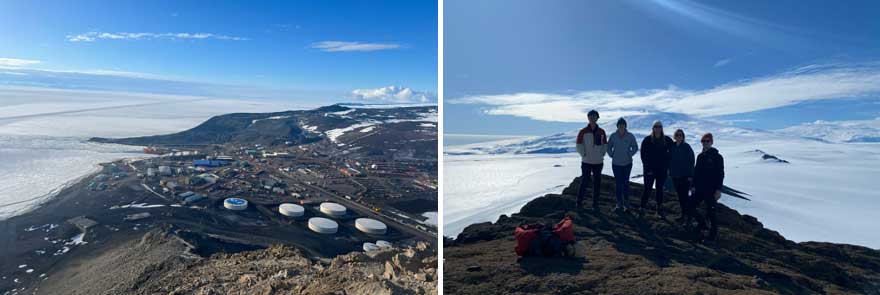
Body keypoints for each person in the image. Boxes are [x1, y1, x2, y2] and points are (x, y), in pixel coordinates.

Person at [687, 133, 725, 242]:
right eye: (703, 141)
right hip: (699, 188)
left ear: (712, 142)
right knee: (689, 206)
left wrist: (718, 190)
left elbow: (720, 174)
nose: (705, 143)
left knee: (712, 213)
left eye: (707, 141)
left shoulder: (717, 157)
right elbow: (696, 172)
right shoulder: (700, 156)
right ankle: (702, 224)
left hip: (711, 190)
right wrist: (693, 186)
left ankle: (712, 237)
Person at [639, 120, 673, 218]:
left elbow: (672, 153)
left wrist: (668, 167)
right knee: (647, 189)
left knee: (659, 189)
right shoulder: (647, 140)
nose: (658, 129)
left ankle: (659, 209)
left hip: (662, 170)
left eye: (659, 127)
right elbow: (643, 156)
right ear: (653, 128)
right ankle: (642, 207)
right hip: (649, 170)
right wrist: (647, 169)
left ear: (662, 128)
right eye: (656, 127)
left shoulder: (667, 140)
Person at [575, 110, 607, 210]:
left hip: (598, 162)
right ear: (588, 118)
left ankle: (595, 204)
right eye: (591, 116)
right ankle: (579, 203)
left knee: (597, 183)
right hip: (586, 162)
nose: (593, 118)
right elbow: (579, 145)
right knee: (584, 182)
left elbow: (605, 145)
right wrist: (583, 154)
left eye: (595, 117)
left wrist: (601, 154)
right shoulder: (583, 131)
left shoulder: (602, 132)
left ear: (597, 118)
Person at [606, 118, 638, 212]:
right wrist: (611, 154)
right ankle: (619, 203)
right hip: (616, 164)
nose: (621, 126)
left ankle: (626, 203)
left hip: (627, 163)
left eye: (623, 125)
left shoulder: (630, 136)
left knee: (626, 183)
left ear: (625, 126)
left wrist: (630, 154)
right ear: (617, 126)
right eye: (620, 125)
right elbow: (608, 147)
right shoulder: (613, 136)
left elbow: (635, 147)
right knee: (618, 183)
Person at [669, 129, 695, 223]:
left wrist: (690, 176)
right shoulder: (673, 146)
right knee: (680, 197)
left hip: (685, 177)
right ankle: (684, 215)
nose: (679, 137)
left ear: (683, 137)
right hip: (675, 176)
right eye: (677, 135)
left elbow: (691, 162)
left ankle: (688, 217)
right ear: (675, 136)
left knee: (685, 197)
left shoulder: (686, 147)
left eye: (681, 135)